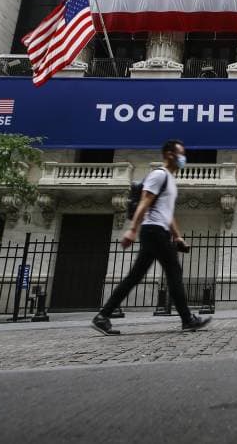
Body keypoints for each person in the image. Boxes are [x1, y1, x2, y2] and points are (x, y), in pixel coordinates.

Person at [91, 139, 211, 335]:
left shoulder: (171, 180)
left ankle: (103, 315)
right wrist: (132, 229)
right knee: (173, 273)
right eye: (181, 153)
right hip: (153, 231)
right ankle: (187, 319)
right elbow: (144, 202)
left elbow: (167, 214)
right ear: (169, 154)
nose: (184, 158)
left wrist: (178, 237)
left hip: (158, 231)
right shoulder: (158, 175)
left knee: (136, 276)